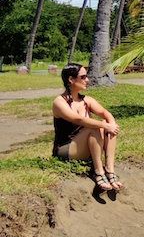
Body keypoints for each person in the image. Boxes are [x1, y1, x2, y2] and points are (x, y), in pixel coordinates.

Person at [52, 63, 123, 191]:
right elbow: (79, 119)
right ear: (71, 79)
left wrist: (111, 123)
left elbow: (105, 113)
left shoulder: (86, 100)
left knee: (105, 124)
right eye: (83, 77)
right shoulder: (59, 102)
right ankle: (98, 172)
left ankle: (110, 169)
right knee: (96, 126)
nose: (87, 80)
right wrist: (105, 125)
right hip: (66, 149)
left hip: (82, 147)